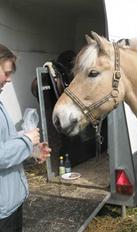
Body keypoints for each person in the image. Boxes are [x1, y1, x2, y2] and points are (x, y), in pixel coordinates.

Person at [0, 44, 51, 232]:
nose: (9, 79)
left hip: (10, 202)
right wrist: (27, 141)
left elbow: (5, 139)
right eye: (6, 73)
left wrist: (31, 148)